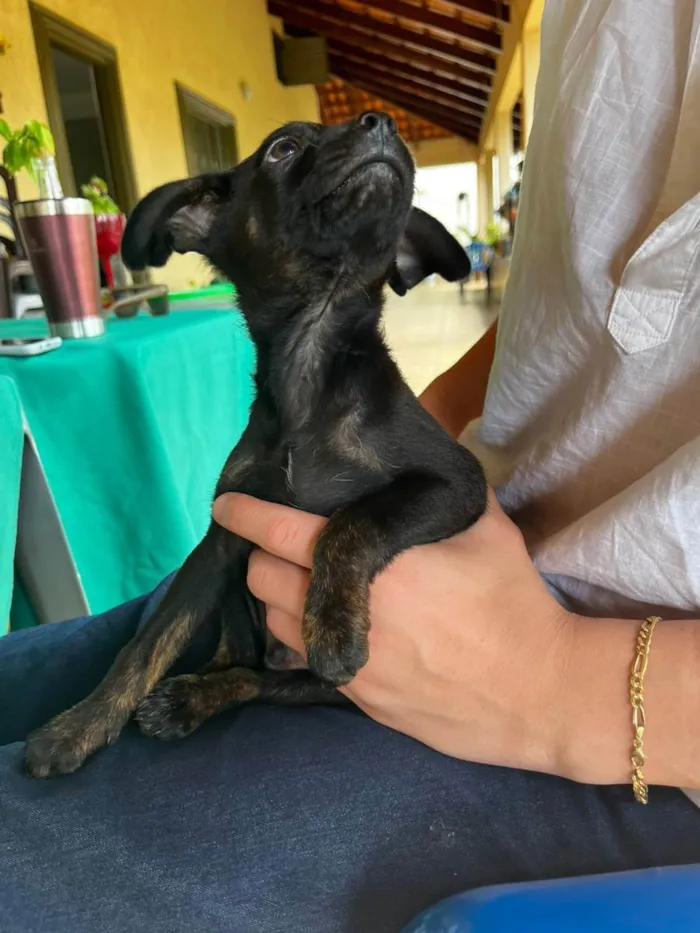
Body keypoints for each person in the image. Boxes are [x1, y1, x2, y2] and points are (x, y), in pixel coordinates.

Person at [2, 2, 700, 931]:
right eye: (292, 149)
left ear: (403, 250)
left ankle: (241, 686)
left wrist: (554, 673)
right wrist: (431, 420)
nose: (368, 125)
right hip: (414, 587)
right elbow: (590, 311)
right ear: (206, 222)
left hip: (613, 738)